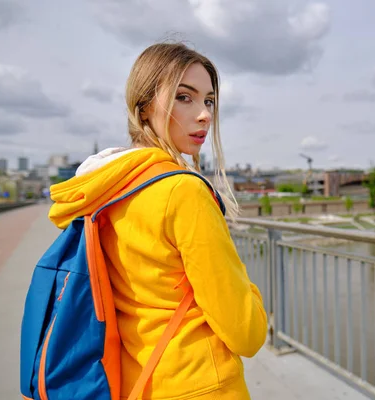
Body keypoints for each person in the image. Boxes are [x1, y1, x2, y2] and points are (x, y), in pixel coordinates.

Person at [47, 43, 268, 399]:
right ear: (145, 105)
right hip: (201, 385)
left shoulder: (107, 188)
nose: (204, 115)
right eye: (185, 97)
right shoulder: (183, 192)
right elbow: (247, 333)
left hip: (135, 380)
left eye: (209, 101)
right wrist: (250, 293)